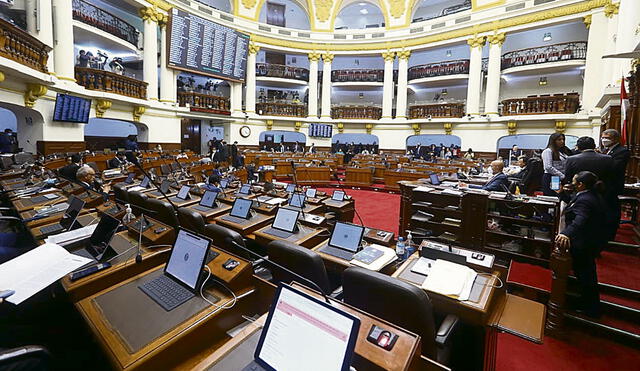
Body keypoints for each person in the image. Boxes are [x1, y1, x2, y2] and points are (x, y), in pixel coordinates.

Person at [555, 171, 607, 317]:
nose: (571, 183)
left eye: (574, 181)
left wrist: (566, 233)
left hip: (584, 242)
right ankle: (588, 302)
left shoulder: (585, 199)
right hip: (589, 240)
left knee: (585, 274)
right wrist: (560, 193)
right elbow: (573, 203)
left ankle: (591, 308)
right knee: (586, 273)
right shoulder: (587, 194)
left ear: (580, 184)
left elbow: (580, 219)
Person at [600, 129, 630, 241]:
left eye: (607, 138)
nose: (604, 140)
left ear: (616, 139)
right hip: (603, 186)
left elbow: (614, 167)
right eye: (603, 137)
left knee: (611, 211)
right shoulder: (605, 150)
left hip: (612, 186)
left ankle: (610, 235)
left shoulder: (622, 151)